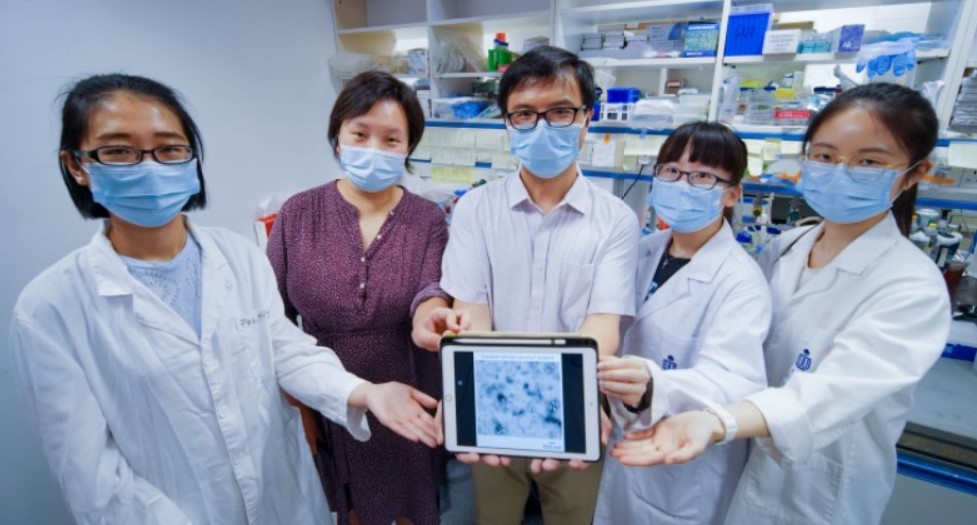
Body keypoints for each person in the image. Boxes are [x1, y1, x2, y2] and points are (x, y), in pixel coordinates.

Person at [9, 73, 441, 525]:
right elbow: (90, 478)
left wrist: (363, 392)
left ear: (190, 159)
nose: (148, 166)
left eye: (168, 148)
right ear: (77, 165)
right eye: (119, 151)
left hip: (285, 497)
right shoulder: (50, 309)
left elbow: (284, 349)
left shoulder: (236, 257)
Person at [612, 83, 951, 524]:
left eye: (869, 162)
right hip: (740, 456)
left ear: (913, 174)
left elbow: (829, 394)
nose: (841, 171)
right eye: (826, 156)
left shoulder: (912, 287)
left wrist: (715, 422)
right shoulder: (788, 247)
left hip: (819, 482)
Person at [440, 45, 639, 525]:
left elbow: (601, 328)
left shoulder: (616, 220)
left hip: (574, 409)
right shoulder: (475, 209)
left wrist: (567, 407)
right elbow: (472, 316)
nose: (541, 127)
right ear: (507, 123)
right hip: (493, 404)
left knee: (574, 516)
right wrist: (472, 402)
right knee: (495, 517)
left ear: (586, 118)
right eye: (525, 114)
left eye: (560, 111)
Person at [266, 70, 464, 525]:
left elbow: (432, 292)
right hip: (327, 392)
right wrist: (300, 406)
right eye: (360, 133)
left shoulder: (427, 219)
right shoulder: (299, 213)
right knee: (345, 507)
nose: (374, 148)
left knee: (414, 506)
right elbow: (271, 313)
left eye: (392, 139)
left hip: (409, 391)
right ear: (338, 137)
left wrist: (432, 314)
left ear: (408, 148)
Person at [594, 121, 771, 524]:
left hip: (685, 464)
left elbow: (737, 382)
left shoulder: (739, 281)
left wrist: (656, 384)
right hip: (626, 440)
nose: (682, 183)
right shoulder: (643, 251)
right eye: (671, 171)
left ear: (732, 194)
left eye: (702, 176)